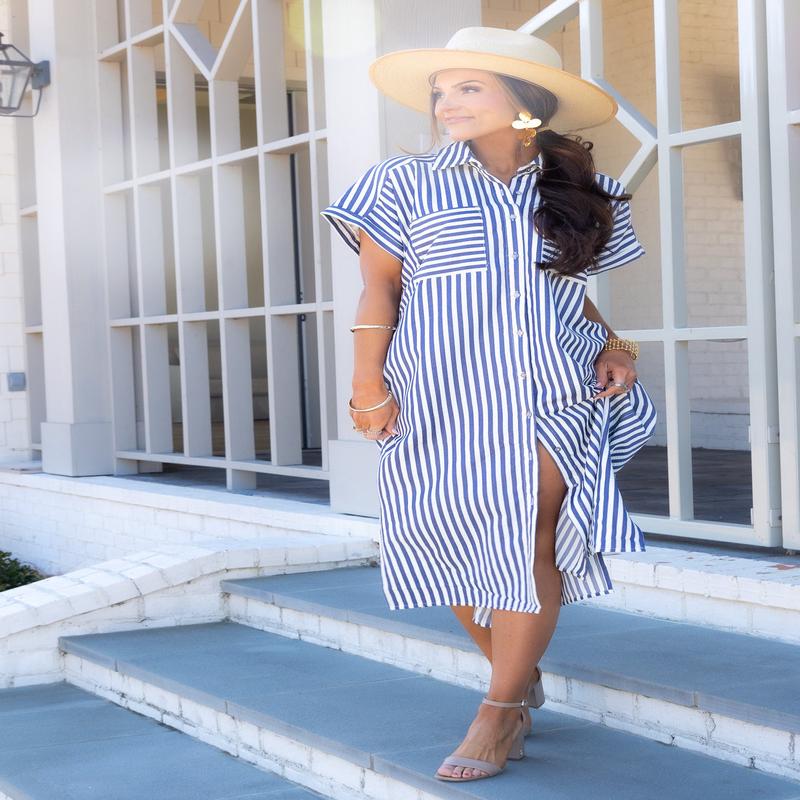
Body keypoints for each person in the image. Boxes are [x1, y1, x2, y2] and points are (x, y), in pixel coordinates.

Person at [320, 25, 657, 783]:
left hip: (552, 390)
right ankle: (517, 671)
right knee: (451, 533)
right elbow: (380, 290)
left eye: (468, 87)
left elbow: (567, 295)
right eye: (442, 90)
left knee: (528, 530)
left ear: (524, 101)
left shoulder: (579, 192)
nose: (446, 102)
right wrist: (366, 383)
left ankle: (498, 714)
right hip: (440, 391)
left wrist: (616, 349)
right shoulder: (401, 183)